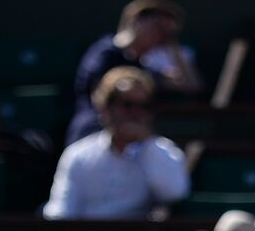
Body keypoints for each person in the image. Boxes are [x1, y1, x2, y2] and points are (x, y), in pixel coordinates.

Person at [43, 66, 189, 220]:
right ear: (106, 107)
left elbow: (175, 192)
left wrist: (147, 143)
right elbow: (62, 209)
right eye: (127, 105)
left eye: (144, 106)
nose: (135, 114)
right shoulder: (78, 154)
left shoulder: (163, 150)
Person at [67, 0, 202, 145]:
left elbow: (190, 84)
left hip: (132, 140)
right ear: (136, 20)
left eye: (166, 34)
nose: (160, 37)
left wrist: (172, 43)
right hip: (94, 133)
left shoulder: (143, 67)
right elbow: (99, 97)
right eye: (157, 28)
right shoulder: (105, 53)